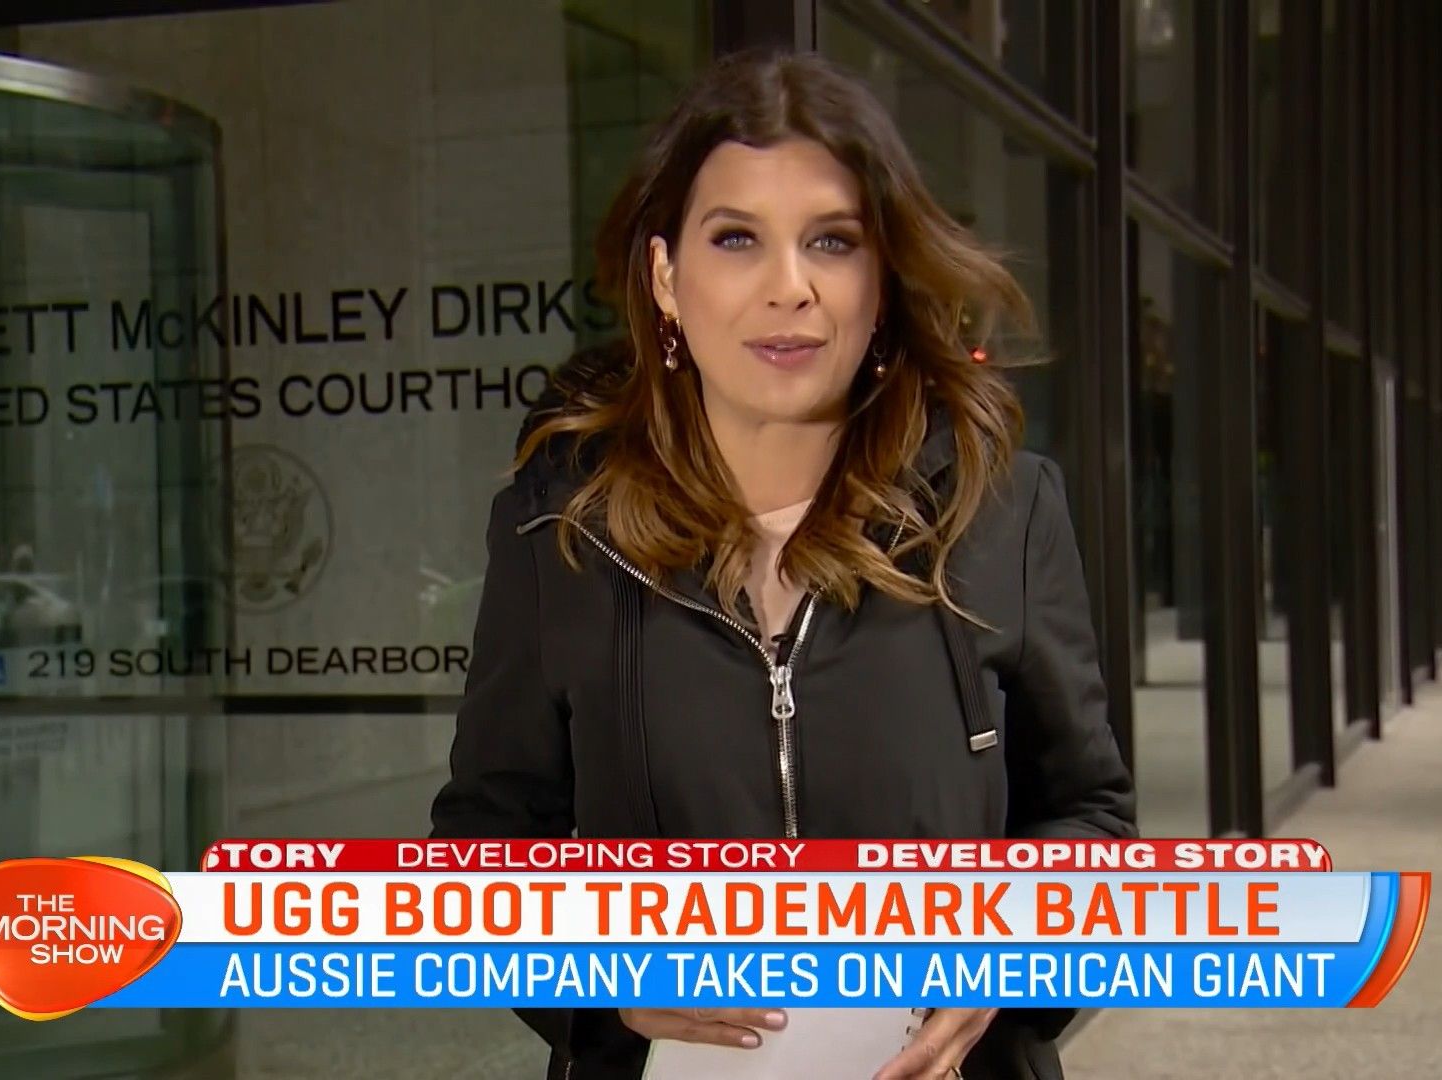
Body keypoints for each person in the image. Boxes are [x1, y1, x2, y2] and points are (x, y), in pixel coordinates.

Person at [429, 48, 1136, 1080]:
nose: (789, 288)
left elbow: (1090, 820)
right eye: (736, 240)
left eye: (832, 242)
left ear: (880, 281)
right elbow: (485, 845)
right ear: (666, 278)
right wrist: (597, 978)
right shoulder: (561, 534)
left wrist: (1011, 956)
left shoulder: (1004, 512)